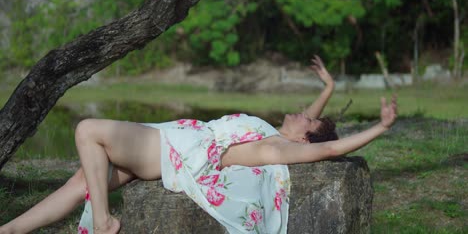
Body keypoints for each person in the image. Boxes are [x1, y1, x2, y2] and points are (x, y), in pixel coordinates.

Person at [0, 56, 397, 234]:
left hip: (171, 152)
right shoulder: (273, 132)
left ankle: (104, 223)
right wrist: (328, 87)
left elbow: (327, 148)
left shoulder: (277, 148)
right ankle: (12, 230)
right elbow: (312, 127)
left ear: (303, 138)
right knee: (81, 182)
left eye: (307, 118)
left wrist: (380, 127)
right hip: (170, 137)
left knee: (87, 130)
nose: (301, 111)